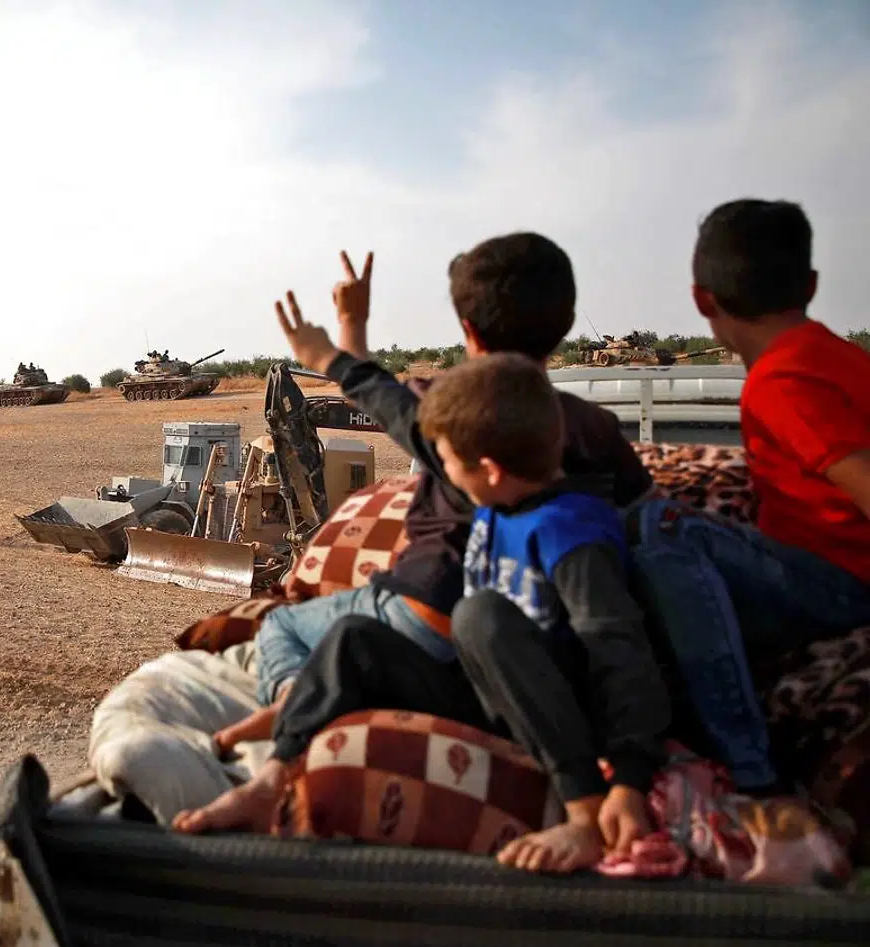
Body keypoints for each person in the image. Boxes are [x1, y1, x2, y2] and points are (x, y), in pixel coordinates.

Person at [176, 233, 653, 835]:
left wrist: (340, 341)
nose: (438, 463)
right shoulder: (595, 433)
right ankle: (272, 779)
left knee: (284, 623)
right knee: (352, 641)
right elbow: (647, 519)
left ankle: (294, 701)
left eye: (443, 459)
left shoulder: (469, 431)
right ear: (563, 326)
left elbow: (388, 401)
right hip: (472, 670)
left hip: (458, 634)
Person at [628, 199, 870, 793]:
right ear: (810, 286)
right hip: (824, 573)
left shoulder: (781, 380)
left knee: (663, 527)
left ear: (701, 300)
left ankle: (749, 770)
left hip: (840, 584)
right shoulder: (845, 360)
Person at [421, 352, 669, 872]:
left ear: (490, 470)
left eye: (447, 462)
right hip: (505, 697)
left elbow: (620, 651)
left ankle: (583, 812)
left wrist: (629, 778)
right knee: (356, 640)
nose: (445, 474)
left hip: (570, 715)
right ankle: (278, 768)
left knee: (478, 616)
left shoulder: (569, 532)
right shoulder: (495, 508)